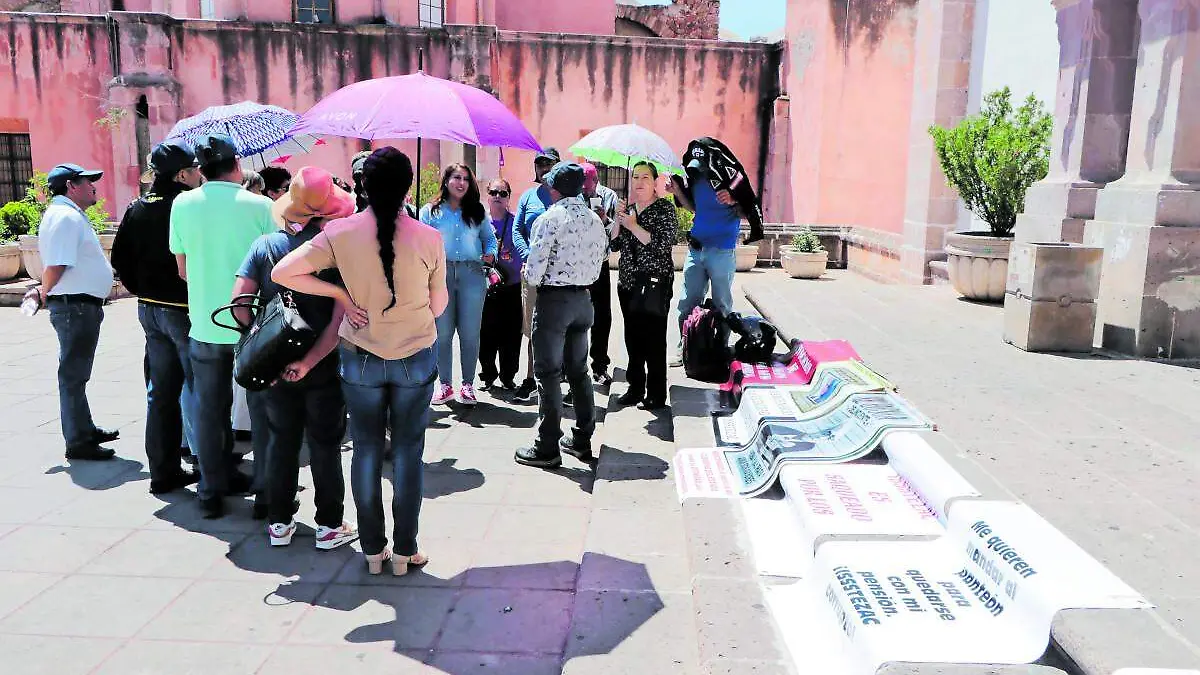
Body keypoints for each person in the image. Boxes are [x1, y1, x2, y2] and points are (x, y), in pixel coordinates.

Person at [272, 147, 447, 576]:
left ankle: (372, 551)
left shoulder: (339, 233)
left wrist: (340, 295)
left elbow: (283, 272)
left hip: (360, 357)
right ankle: (406, 550)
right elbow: (439, 306)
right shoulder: (429, 237)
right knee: (408, 453)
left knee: (366, 449)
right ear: (408, 187)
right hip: (414, 355)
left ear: (362, 185)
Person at [233, 166, 359, 550]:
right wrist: (309, 360)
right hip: (322, 364)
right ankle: (329, 524)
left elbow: (238, 304)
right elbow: (340, 321)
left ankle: (279, 522)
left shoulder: (265, 247)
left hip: (275, 365)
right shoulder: (335, 255)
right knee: (324, 444)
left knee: (281, 443)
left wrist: (263, 349)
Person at [169, 133, 276, 519]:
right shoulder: (261, 205)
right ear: (236, 165)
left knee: (210, 410)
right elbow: (272, 266)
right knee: (263, 411)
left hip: (204, 323)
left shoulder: (182, 204)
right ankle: (266, 493)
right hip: (253, 325)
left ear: (200, 169)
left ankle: (210, 489)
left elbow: (182, 269)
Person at [110, 141, 204, 492]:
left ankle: (163, 472)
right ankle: (209, 466)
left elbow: (119, 259)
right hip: (181, 309)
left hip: (149, 309)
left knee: (160, 393)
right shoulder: (185, 207)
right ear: (181, 174)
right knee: (199, 388)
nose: (199, 174)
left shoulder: (138, 208)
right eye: (194, 169)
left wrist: (142, 289)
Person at [515, 162, 608, 469]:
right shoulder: (594, 220)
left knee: (548, 373)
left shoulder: (549, 219)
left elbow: (535, 269)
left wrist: (528, 272)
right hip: (584, 299)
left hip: (555, 301)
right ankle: (581, 439)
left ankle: (547, 445)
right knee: (579, 370)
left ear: (554, 188)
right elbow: (602, 260)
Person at [30, 163, 119, 461]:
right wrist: (43, 292)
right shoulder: (65, 217)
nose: (93, 186)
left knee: (76, 374)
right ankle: (79, 441)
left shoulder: (68, 215)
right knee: (73, 375)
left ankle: (84, 429)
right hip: (75, 307)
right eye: (87, 181)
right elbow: (57, 264)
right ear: (71, 185)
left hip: (79, 306)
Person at [420, 164, 497, 407]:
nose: (461, 183)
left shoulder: (478, 210)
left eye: (465, 179)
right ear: (446, 181)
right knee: (441, 332)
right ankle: (444, 385)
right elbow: (419, 242)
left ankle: (467, 384)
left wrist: (490, 254)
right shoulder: (430, 211)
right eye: (456, 178)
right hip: (439, 275)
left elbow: (489, 239)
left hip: (472, 274)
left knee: (470, 332)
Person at [613, 162, 678, 409]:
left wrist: (633, 225)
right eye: (635, 177)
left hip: (654, 284)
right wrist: (618, 220)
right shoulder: (629, 209)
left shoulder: (664, 209)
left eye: (645, 178)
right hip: (628, 283)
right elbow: (615, 246)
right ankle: (635, 387)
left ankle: (656, 393)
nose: (639, 182)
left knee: (653, 339)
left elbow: (661, 245)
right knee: (633, 338)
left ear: (655, 183)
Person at [668, 165, 744, 367]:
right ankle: (685, 346)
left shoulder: (732, 178)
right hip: (696, 248)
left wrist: (734, 198)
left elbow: (749, 209)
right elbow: (694, 208)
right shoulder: (695, 180)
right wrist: (677, 192)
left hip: (722, 250)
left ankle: (721, 347)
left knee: (722, 303)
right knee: (687, 301)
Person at [510, 147, 560, 403]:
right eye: (540, 164)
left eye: (549, 164)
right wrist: (528, 254)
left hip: (560, 275)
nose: (544, 169)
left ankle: (559, 378)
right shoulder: (528, 197)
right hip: (531, 272)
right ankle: (530, 377)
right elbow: (517, 229)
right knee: (532, 327)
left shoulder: (567, 198)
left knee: (559, 327)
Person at [477, 179, 523, 392]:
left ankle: (508, 376)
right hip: (485, 287)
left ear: (508, 198)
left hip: (511, 286)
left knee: (511, 336)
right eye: (494, 192)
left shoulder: (516, 223)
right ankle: (488, 374)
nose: (498, 196)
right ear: (487, 195)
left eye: (503, 193)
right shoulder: (479, 222)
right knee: (485, 334)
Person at [580, 162, 619, 385]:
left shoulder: (609, 197)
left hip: (600, 263)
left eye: (589, 186)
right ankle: (573, 364)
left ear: (596, 182)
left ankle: (600, 365)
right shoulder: (574, 196)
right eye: (582, 187)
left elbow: (613, 236)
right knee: (575, 314)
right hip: (577, 264)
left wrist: (603, 219)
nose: (586, 190)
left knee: (602, 316)